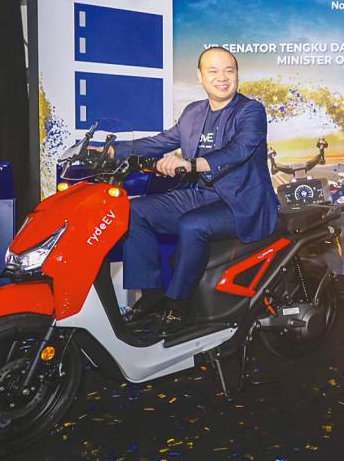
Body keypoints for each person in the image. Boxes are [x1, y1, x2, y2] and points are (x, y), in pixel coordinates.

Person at [111, 47, 278, 334]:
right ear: (200, 76)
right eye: (213, 71)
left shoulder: (250, 110)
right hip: (202, 196)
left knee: (192, 225)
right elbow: (158, 142)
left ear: (237, 75)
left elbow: (239, 150)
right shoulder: (193, 113)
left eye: (229, 71)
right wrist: (111, 150)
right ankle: (151, 297)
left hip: (242, 204)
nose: (222, 78)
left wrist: (189, 164)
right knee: (134, 210)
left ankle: (179, 305)